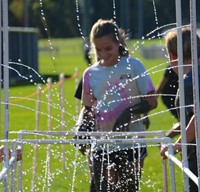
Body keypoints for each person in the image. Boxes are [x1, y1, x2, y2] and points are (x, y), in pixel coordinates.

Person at [75, 19, 157, 192]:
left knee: (128, 189)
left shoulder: (134, 66)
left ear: (118, 43)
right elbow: (88, 108)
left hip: (132, 143)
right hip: (101, 144)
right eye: (98, 49)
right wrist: (80, 127)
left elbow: (152, 101)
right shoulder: (90, 74)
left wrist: (129, 112)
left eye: (108, 49)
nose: (103, 54)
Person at [160, 27, 200, 192]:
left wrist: (177, 145)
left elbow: (197, 118)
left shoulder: (190, 81)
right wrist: (170, 135)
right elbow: (189, 118)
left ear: (172, 56)